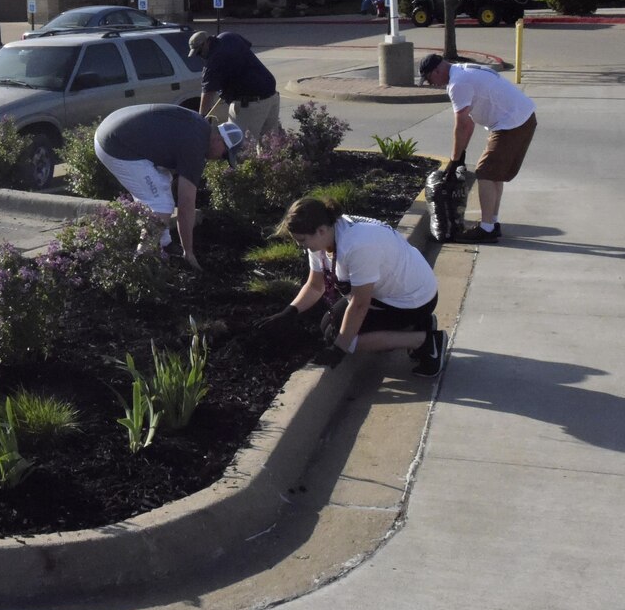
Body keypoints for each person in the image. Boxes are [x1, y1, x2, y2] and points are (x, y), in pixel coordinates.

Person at [275, 195, 445, 376]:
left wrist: (340, 348)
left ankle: (425, 341)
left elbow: (359, 304)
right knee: (330, 327)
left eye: (302, 240)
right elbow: (316, 286)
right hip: (395, 292)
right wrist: (289, 312)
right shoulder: (325, 236)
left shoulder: (358, 245)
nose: (301, 246)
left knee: (344, 338)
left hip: (414, 301)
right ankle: (418, 325)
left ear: (321, 230)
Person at [93, 103, 247, 270]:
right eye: (225, 155)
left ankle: (163, 244)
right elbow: (186, 204)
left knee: (162, 183)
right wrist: (188, 251)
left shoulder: (201, 127)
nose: (220, 159)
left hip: (113, 128)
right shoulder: (195, 148)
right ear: (219, 139)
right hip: (115, 145)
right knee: (162, 204)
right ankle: (143, 260)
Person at [418, 52, 537, 243]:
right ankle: (493, 223)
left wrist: (454, 160)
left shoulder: (458, 83)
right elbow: (469, 124)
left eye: (430, 78)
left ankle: (487, 229)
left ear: (438, 70)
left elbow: (462, 124)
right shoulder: (462, 71)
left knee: (485, 172)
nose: (431, 84)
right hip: (520, 118)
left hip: (512, 123)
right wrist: (461, 153)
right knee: (494, 174)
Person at [187, 30, 282, 139]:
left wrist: (202, 118)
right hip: (271, 94)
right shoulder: (229, 36)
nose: (200, 56)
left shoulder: (212, 62)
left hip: (250, 104)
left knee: (238, 144)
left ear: (206, 42)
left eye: (199, 52)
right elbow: (244, 50)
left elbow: (208, 94)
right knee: (271, 144)